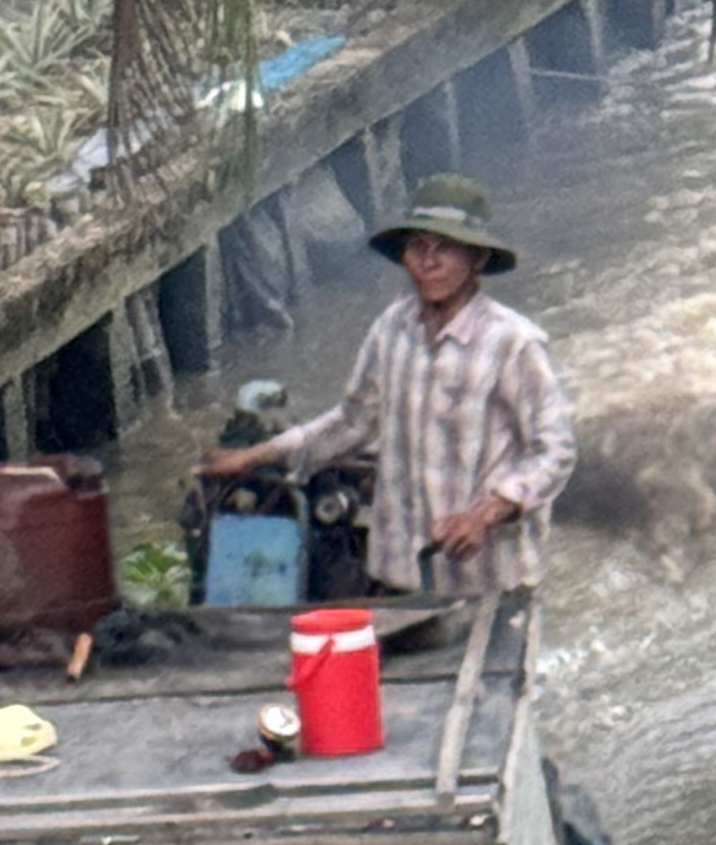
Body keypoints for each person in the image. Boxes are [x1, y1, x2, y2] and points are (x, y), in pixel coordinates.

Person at [204, 172, 574, 594]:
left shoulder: (513, 343)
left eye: (445, 248)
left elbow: (555, 450)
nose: (429, 261)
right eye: (418, 247)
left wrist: (485, 514)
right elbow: (353, 422)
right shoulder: (392, 329)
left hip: (486, 578)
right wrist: (254, 456)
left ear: (477, 260)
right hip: (401, 572)